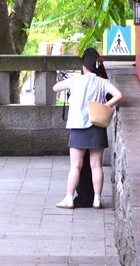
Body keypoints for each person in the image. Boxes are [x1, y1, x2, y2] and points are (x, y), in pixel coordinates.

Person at [52, 48, 122, 209]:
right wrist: (105, 105)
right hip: (97, 126)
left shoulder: (76, 80)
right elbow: (118, 95)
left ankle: (69, 198)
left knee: (75, 166)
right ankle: (97, 199)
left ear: (83, 64)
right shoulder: (102, 82)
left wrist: (69, 80)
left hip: (78, 127)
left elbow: (55, 87)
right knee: (96, 165)